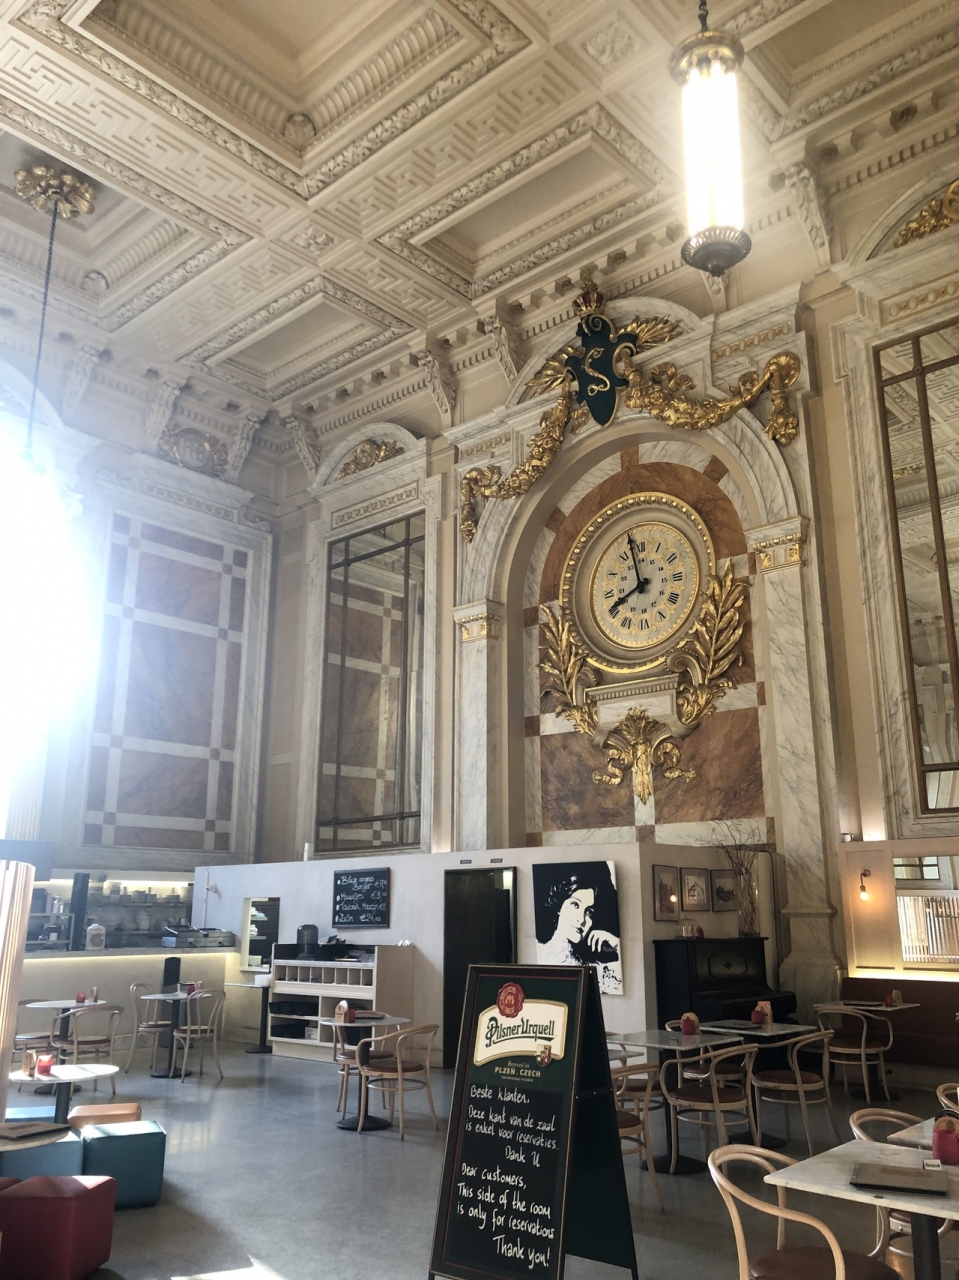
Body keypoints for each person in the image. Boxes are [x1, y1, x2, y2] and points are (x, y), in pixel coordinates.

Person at [535, 864, 623, 994]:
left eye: (589, 912)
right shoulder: (538, 954)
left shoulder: (597, 970)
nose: (581, 920)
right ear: (559, 906)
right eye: (575, 905)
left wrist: (617, 945)